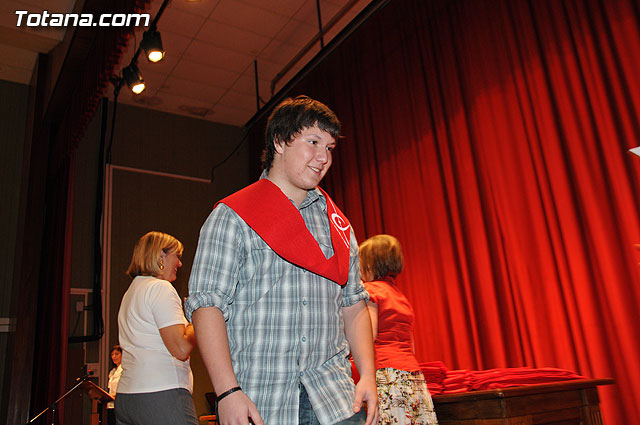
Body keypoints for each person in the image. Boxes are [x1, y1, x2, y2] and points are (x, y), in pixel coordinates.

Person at [186, 95, 378, 425]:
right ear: (279, 141)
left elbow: (353, 304)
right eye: (313, 142)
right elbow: (207, 306)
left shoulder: (338, 224)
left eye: (330, 147)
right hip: (261, 401)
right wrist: (227, 392)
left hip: (336, 400)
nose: (324, 157)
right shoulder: (232, 216)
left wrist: (368, 375)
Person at [115, 231, 197, 425]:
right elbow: (181, 349)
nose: (180, 264)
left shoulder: (131, 292)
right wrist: (200, 320)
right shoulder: (160, 288)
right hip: (161, 395)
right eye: (177, 256)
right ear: (161, 256)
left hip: (127, 398)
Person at [359, 234, 439, 425]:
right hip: (412, 374)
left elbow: (368, 336)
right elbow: (411, 344)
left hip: (385, 374)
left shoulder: (370, 291)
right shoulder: (399, 296)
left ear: (369, 265)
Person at [106, 344, 123, 425]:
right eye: (112, 354)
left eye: (117, 354)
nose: (114, 357)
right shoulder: (112, 372)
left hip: (120, 405)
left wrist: (114, 395)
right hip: (110, 405)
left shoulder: (124, 370)